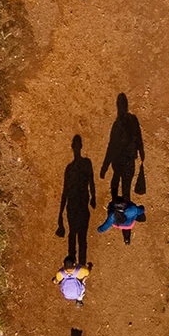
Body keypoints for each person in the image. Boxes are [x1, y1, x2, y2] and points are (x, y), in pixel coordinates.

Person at [57, 134, 96, 266]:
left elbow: (65, 191)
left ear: (72, 147)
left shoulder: (70, 168)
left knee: (73, 235)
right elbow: (91, 181)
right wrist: (93, 197)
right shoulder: (86, 163)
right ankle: (81, 266)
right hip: (80, 204)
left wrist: (60, 214)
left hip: (74, 205)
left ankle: (72, 265)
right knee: (80, 237)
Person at [100, 93, 144, 199]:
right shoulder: (133, 120)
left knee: (115, 183)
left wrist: (105, 167)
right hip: (129, 161)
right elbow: (139, 137)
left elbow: (111, 146)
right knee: (126, 190)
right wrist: (141, 152)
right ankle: (124, 212)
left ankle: (115, 208)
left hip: (119, 160)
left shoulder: (117, 125)